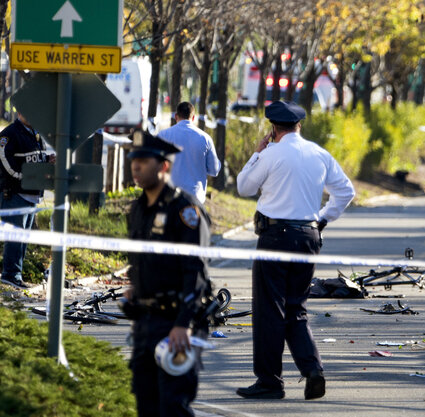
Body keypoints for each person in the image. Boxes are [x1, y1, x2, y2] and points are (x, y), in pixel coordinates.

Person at [236, 101, 355, 400]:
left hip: (275, 236)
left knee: (268, 311)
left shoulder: (272, 153)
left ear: (274, 129)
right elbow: (346, 191)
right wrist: (323, 219)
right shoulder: (319, 153)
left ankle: (270, 381)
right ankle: (313, 370)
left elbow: (244, 187)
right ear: (299, 125)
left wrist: (257, 153)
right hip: (308, 236)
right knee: (295, 307)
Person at [121, 131, 213, 417]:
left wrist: (183, 323)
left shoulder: (184, 210)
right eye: (134, 159)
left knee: (173, 406)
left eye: (144, 161)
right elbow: (140, 261)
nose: (136, 166)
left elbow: (194, 270)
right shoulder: (137, 209)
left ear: (164, 166)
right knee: (146, 405)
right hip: (146, 323)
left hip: (177, 324)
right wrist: (134, 288)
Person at [0, 111, 51, 287]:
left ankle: (17, 274)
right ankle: (10, 274)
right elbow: (5, 160)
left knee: (23, 237)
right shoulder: (10, 134)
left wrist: (48, 161)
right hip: (14, 193)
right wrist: (24, 177)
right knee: (15, 237)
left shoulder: (35, 134)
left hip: (31, 194)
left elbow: (36, 158)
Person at [157, 102, 221, 203]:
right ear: (193, 117)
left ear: (176, 116)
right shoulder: (205, 138)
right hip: (195, 199)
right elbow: (214, 170)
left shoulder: (163, 135)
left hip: (168, 197)